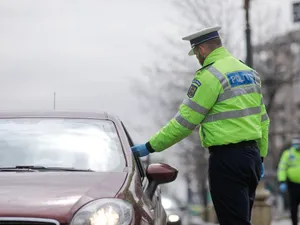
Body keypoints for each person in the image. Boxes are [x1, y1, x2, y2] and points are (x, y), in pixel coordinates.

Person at [132, 25, 270, 225]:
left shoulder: (209, 76)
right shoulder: (250, 73)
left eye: (196, 52)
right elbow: (263, 120)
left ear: (203, 49)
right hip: (252, 159)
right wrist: (261, 156)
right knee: (241, 219)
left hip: (226, 160)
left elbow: (183, 123)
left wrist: (150, 147)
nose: (197, 57)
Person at [277, 136, 300, 225]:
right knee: (293, 207)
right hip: (292, 184)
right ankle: (294, 223)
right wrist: (282, 181)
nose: (297, 145)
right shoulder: (288, 154)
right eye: (295, 144)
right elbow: (282, 168)